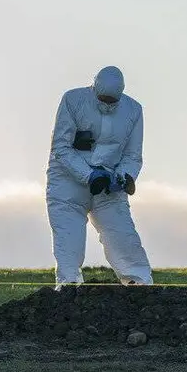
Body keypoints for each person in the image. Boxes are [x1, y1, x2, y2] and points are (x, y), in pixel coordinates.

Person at [46, 66, 152, 288]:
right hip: (67, 184)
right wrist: (89, 175)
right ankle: (69, 289)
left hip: (108, 185)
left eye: (112, 101)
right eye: (103, 99)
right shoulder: (73, 100)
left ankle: (141, 287)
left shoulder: (133, 110)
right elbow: (61, 147)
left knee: (123, 237)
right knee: (69, 242)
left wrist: (125, 177)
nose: (107, 105)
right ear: (94, 89)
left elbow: (132, 155)